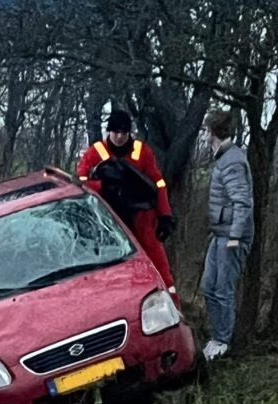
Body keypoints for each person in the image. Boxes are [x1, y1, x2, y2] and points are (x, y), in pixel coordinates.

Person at [76, 110, 178, 304]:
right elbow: (80, 181)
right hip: (108, 224)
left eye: (124, 132)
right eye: (115, 132)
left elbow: (158, 183)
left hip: (143, 219)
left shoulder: (143, 152)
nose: (120, 136)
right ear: (109, 132)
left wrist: (165, 216)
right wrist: (102, 187)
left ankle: (174, 308)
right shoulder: (95, 153)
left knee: (160, 269)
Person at [199, 110, 254, 362]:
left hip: (231, 238)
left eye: (206, 131)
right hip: (219, 235)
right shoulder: (224, 158)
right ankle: (216, 336)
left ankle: (223, 342)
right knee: (208, 287)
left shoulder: (232, 160)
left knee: (223, 290)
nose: (204, 135)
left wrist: (234, 236)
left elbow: (242, 202)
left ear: (211, 132)